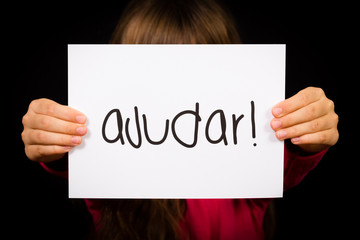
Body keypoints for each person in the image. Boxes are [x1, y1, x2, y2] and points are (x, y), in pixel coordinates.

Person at [21, 0, 339, 239]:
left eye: (201, 73)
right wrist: (55, 140)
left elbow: (289, 161)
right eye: (157, 71)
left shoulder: (249, 168)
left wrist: (307, 132)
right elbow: (79, 161)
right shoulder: (114, 170)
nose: (179, 94)